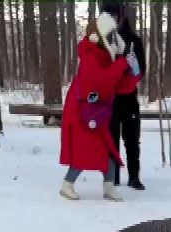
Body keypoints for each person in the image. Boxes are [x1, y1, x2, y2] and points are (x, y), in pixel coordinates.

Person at [60, 13, 142, 201]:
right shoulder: (90, 55)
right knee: (84, 151)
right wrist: (123, 63)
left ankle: (108, 186)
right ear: (98, 37)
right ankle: (67, 184)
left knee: (107, 149)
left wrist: (133, 73)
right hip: (82, 113)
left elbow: (119, 86)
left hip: (96, 113)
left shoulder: (105, 57)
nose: (113, 41)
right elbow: (102, 81)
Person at [103, 2, 146, 191]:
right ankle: (112, 177)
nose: (112, 18)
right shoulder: (102, 41)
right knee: (111, 140)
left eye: (114, 15)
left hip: (129, 98)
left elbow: (141, 70)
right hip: (110, 100)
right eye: (108, 15)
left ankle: (134, 177)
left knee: (131, 139)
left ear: (121, 16)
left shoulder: (134, 40)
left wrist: (132, 68)